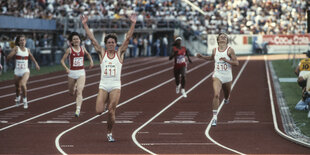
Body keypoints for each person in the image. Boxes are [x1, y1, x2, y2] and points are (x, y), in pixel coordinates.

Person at [81, 13, 136, 142]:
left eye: (113, 42)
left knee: (111, 111)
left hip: (116, 85)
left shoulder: (119, 53)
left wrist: (133, 23)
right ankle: (106, 104)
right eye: (109, 42)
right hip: (104, 85)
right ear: (106, 44)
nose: (111, 44)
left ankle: (109, 133)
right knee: (99, 111)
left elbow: (128, 38)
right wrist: (84, 24)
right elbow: (93, 39)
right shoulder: (102, 53)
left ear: (116, 44)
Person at [196, 33, 239, 126]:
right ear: (218, 40)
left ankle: (227, 98)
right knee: (216, 94)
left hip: (227, 77)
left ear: (227, 40)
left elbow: (236, 63)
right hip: (217, 75)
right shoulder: (215, 50)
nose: (223, 38)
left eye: (225, 37)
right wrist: (202, 57)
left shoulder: (230, 50)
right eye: (221, 37)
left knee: (227, 95)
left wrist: (226, 60)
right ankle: (214, 117)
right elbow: (211, 58)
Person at [60, 32, 94, 117]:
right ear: (71, 41)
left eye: (77, 39)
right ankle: (73, 87)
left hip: (81, 72)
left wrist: (91, 61)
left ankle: (78, 109)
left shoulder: (83, 48)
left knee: (79, 91)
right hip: (72, 73)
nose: (76, 40)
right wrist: (66, 68)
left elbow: (88, 54)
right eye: (74, 39)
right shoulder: (69, 50)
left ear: (80, 40)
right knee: (71, 92)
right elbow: (62, 61)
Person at [6, 35, 40, 109]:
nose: (22, 41)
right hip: (17, 71)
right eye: (21, 40)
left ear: (25, 41)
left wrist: (36, 64)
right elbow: (8, 57)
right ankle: (18, 99)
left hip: (25, 71)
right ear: (18, 42)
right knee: (17, 88)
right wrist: (10, 55)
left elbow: (31, 57)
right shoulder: (16, 48)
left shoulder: (28, 50)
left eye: (23, 40)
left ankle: (25, 101)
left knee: (23, 85)